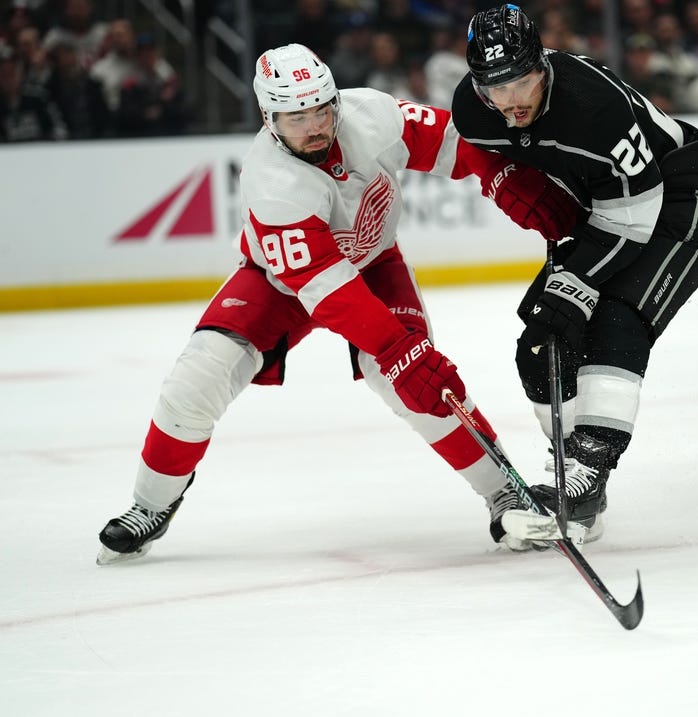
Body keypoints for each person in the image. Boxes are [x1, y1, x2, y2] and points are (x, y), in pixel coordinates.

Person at [96, 43, 577, 564]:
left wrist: (503, 175)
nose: (315, 125)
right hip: (278, 284)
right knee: (198, 377)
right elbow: (327, 291)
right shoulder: (272, 183)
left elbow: (451, 141)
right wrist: (397, 348)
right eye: (296, 116)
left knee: (419, 387)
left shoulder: (371, 112)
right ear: (268, 117)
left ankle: (503, 492)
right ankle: (150, 504)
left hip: (375, 264)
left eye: (322, 108)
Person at [450, 4, 698, 543]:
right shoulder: (474, 108)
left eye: (521, 81)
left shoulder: (593, 105)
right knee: (541, 343)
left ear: (543, 65)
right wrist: (515, 188)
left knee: (615, 321)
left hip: (681, 200)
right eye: (494, 87)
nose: (510, 102)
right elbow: (493, 154)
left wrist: (573, 282)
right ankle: (575, 476)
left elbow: (637, 214)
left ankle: (588, 472)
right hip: (602, 213)